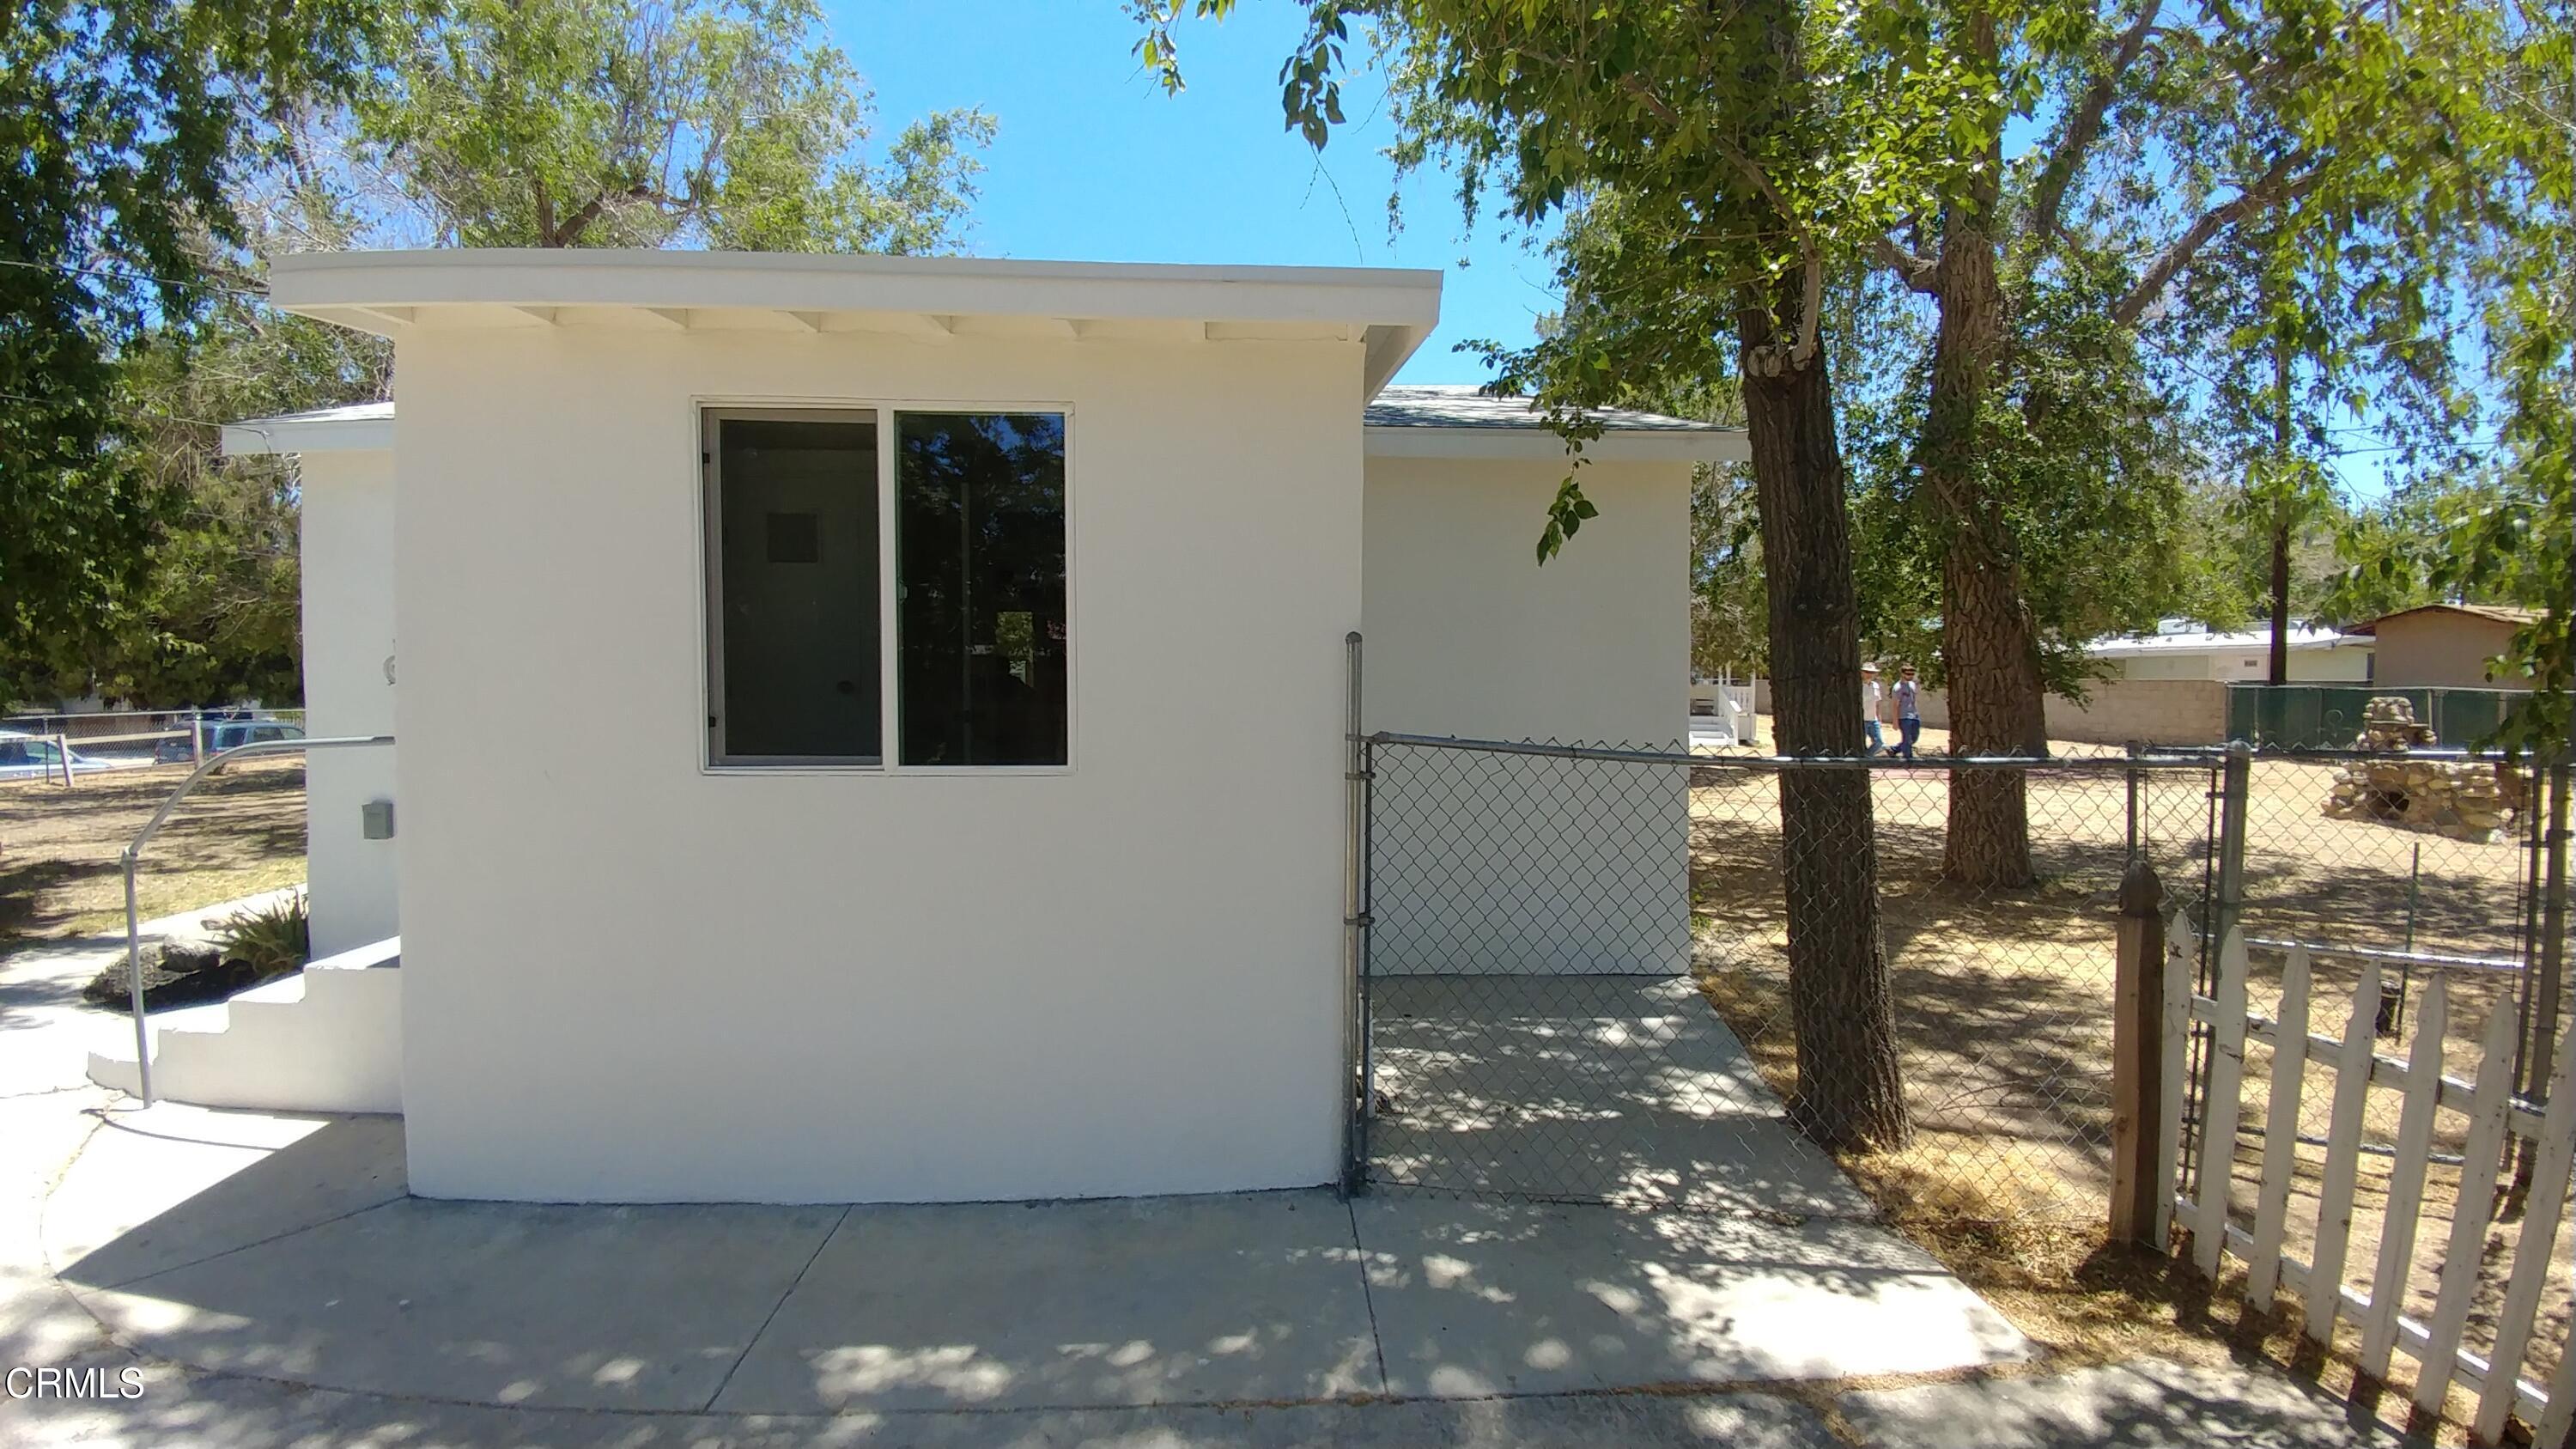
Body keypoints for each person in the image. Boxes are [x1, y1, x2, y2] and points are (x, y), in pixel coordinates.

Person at [1893, 664, 1923, 761]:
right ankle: (1908, 759)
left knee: (1914, 737)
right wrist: (1895, 721)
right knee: (1907, 738)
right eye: (1908, 674)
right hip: (1904, 716)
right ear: (1902, 674)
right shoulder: (1898, 688)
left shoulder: (1912, 685)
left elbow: (1913, 700)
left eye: (1912, 674)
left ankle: (1895, 749)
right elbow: (1895, 705)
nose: (1910, 676)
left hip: (1914, 715)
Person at [1860, 663, 1886, 757]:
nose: (1869, 674)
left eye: (1872, 672)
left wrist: (1879, 718)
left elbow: (1877, 702)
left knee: (1879, 742)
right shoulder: (1858, 686)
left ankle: (1866, 757)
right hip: (1862, 719)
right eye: (1867, 672)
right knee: (1860, 743)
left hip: (1873, 719)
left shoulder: (1875, 685)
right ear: (1862, 673)